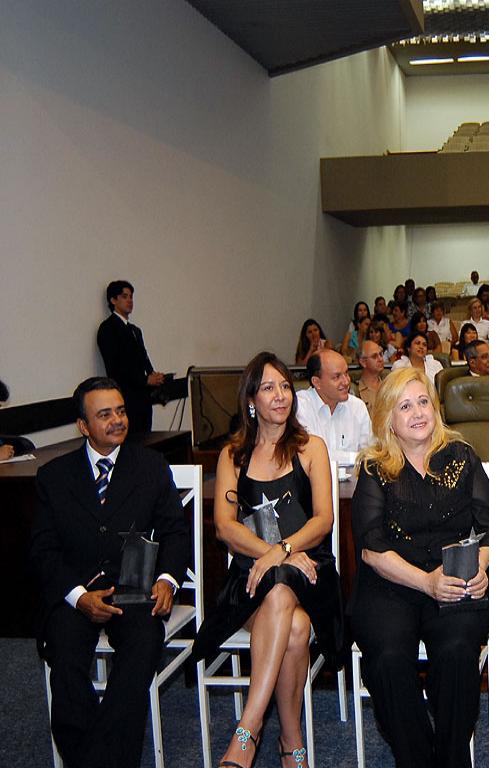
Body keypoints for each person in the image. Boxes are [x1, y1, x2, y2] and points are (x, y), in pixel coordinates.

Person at [192, 353, 342, 768]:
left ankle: (248, 729)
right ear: (250, 400)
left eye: (285, 387)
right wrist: (272, 555)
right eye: (268, 388)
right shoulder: (232, 455)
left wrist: (285, 551)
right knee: (293, 626)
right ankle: (291, 743)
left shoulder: (311, 448)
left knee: (282, 590)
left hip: (311, 574)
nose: (280, 396)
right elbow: (225, 527)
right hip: (251, 578)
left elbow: (323, 520)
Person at [30, 377, 188, 768]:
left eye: (120, 411)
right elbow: (43, 550)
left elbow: (175, 531)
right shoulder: (54, 476)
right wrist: (78, 597)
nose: (117, 420)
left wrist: (167, 580)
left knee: (141, 649)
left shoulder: (151, 467)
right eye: (104, 414)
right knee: (64, 658)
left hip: (135, 591)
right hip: (76, 594)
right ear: (83, 426)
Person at [350, 367, 489, 768]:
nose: (417, 412)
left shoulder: (462, 456)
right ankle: (415, 757)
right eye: (404, 406)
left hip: (455, 580)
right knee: (388, 658)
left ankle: (452, 759)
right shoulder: (374, 467)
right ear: (388, 419)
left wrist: (480, 568)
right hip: (391, 583)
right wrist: (426, 583)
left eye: (423, 402)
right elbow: (371, 549)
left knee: (456, 651)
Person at [96, 280, 166, 435]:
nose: (129, 301)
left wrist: (153, 375)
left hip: (143, 398)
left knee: (146, 437)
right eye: (124, 296)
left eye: (131, 297)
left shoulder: (135, 330)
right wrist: (144, 380)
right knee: (131, 439)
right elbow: (115, 367)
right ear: (113, 300)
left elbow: (143, 358)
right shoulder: (108, 328)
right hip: (125, 398)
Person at [296, 349, 371, 465]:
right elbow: (311, 455)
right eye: (337, 377)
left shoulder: (357, 407)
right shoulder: (300, 407)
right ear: (316, 382)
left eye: (346, 373)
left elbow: (371, 453)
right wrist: (356, 458)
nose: (346, 382)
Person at [356, 340, 387, 412]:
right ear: (363, 362)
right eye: (374, 356)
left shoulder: (389, 386)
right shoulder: (355, 390)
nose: (380, 359)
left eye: (381, 354)